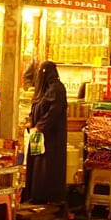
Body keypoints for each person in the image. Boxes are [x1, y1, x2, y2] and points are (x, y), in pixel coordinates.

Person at [24, 61, 68, 205]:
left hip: (51, 137)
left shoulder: (57, 89)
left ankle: (46, 195)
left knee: (46, 165)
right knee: (36, 162)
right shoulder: (43, 90)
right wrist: (30, 122)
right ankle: (35, 194)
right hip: (38, 134)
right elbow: (37, 106)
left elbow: (53, 111)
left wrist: (41, 126)